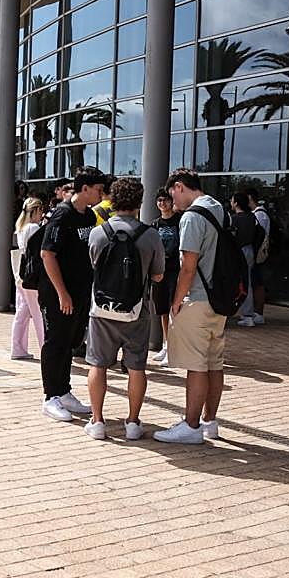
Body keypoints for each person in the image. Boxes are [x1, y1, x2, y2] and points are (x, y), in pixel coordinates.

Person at [83, 178, 165, 440]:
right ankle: (132, 423)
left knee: (98, 364)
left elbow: (94, 265)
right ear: (139, 202)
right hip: (136, 310)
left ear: (112, 200)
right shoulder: (150, 235)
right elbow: (158, 275)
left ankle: (97, 422)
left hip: (102, 310)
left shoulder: (98, 233)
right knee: (136, 366)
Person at [155, 168, 227, 445]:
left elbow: (188, 266)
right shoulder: (218, 207)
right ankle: (210, 422)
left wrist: (176, 302)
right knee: (214, 363)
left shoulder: (193, 217)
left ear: (181, 186)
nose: (171, 199)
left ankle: (191, 425)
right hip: (219, 297)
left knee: (196, 364)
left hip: (197, 297)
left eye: (172, 192)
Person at [38, 167, 106, 422]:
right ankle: (50, 396)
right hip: (58, 293)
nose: (101, 194)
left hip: (80, 292)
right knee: (55, 342)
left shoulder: (88, 216)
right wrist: (62, 293)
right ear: (84, 188)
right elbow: (48, 255)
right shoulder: (62, 215)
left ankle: (63, 391)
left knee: (70, 341)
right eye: (98, 189)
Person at [10, 198, 45, 360]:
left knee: (22, 312)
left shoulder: (21, 228)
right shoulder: (34, 228)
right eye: (40, 210)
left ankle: (17, 347)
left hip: (20, 272)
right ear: (35, 211)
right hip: (32, 274)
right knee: (38, 313)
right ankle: (45, 348)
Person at [151, 190, 182, 366]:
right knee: (162, 309)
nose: (162, 203)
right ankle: (165, 344)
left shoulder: (180, 221)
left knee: (174, 309)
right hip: (160, 271)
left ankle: (174, 348)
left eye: (166, 200)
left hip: (175, 271)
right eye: (159, 200)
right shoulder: (155, 224)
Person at [229, 193, 259, 328]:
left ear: (236, 203)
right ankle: (248, 314)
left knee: (233, 282)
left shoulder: (234, 219)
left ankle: (238, 312)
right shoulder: (252, 217)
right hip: (249, 250)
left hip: (237, 252)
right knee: (247, 282)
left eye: (232, 200)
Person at [245, 189, 270, 326]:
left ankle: (258, 312)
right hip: (255, 253)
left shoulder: (260, 215)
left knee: (257, 283)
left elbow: (259, 235)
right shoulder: (256, 214)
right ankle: (256, 311)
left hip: (258, 253)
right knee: (255, 282)